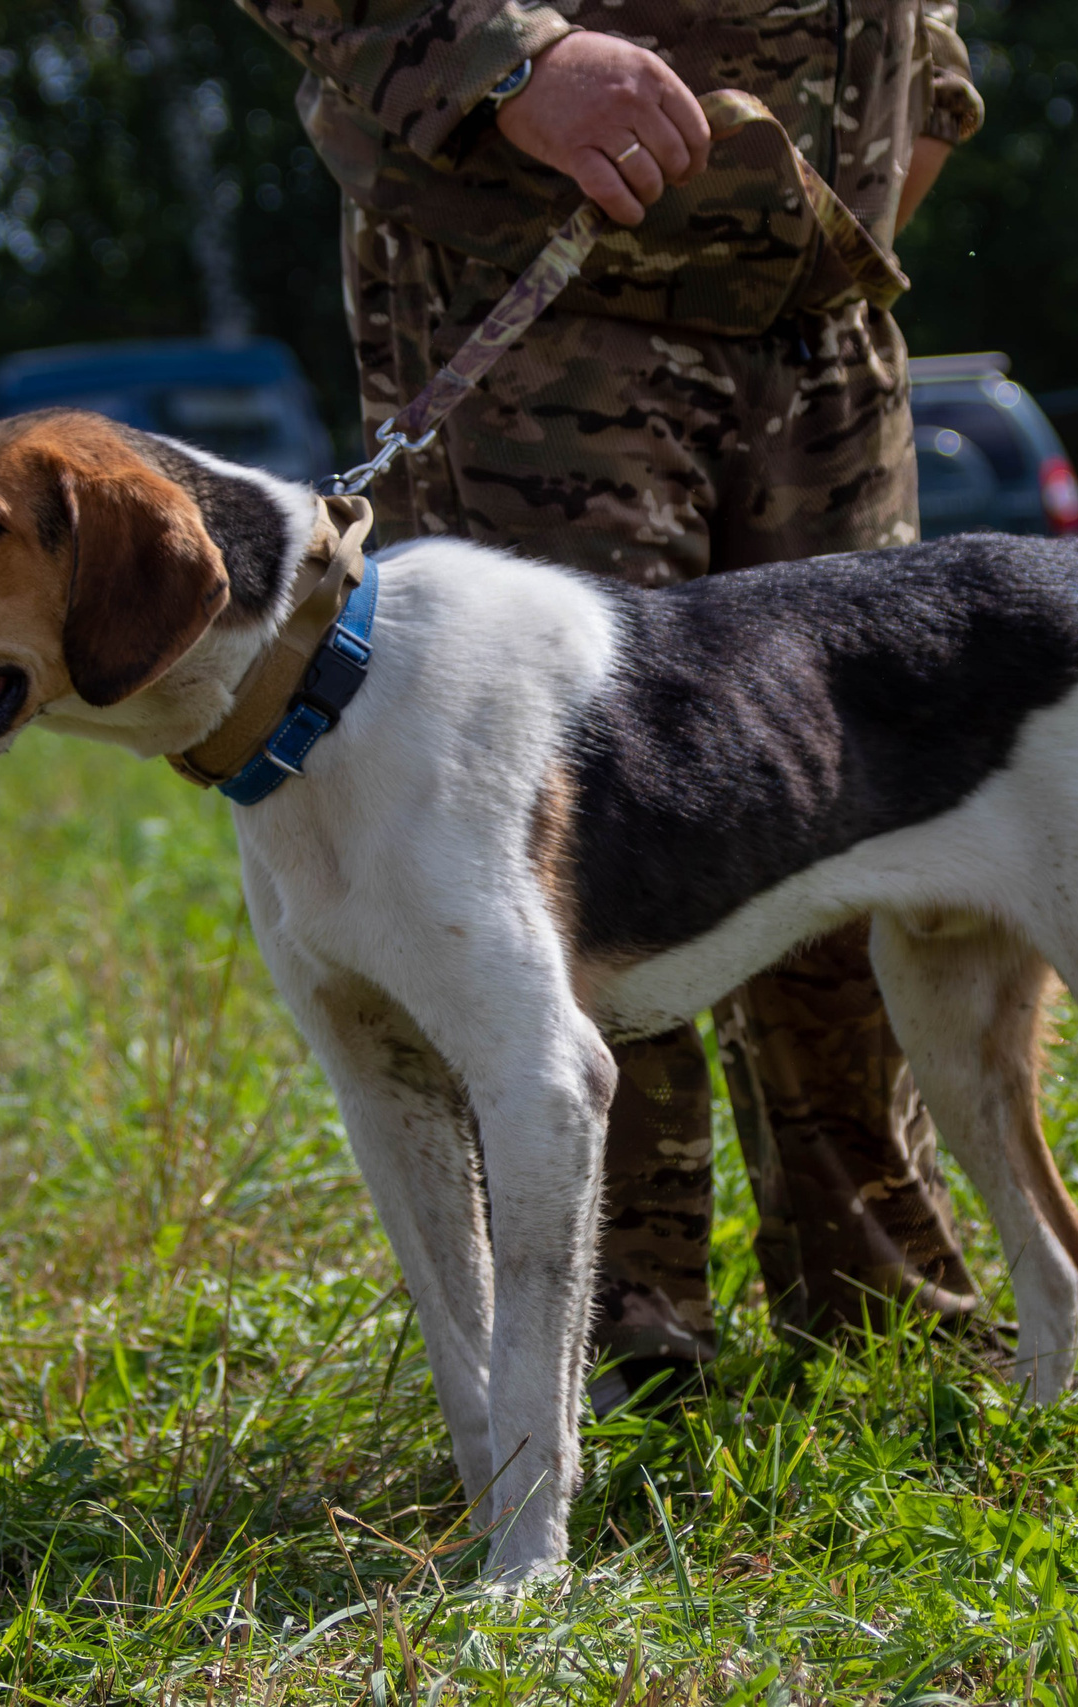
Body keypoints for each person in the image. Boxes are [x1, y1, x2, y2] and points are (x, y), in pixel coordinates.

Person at [235, 0, 993, 1407]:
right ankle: (612, 1341)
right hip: (537, 297)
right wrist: (509, 58)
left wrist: (924, 86)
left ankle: (877, 1296)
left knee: (852, 803)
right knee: (565, 854)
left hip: (818, 288)